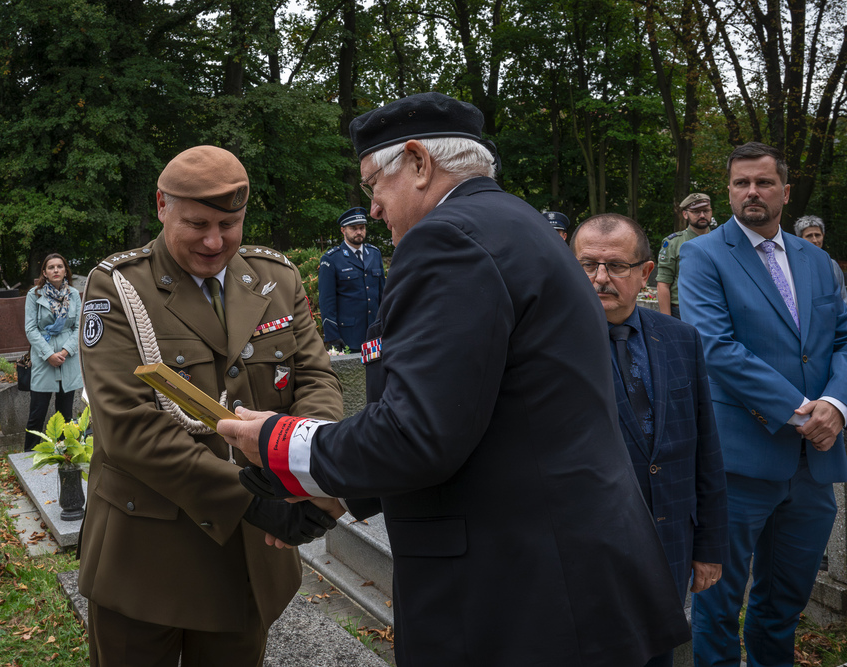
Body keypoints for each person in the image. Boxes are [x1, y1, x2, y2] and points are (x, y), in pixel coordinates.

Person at [218, 92, 690, 667]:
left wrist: (277, 441)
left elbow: (418, 433)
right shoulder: (518, 224)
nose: (372, 210)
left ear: (418, 163)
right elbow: (484, 415)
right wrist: (337, 494)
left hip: (521, 599)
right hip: (570, 579)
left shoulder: (449, 240)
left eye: (373, 185)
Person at [76, 145, 343, 667]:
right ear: (161, 206)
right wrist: (254, 499)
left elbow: (316, 381)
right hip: (147, 557)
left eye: (230, 223)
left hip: (247, 559)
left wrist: (307, 472)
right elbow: (129, 428)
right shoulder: (119, 288)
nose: (215, 241)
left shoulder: (276, 280)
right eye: (197, 223)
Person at [678, 142, 847, 667]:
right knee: (719, 604)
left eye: (764, 182)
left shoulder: (818, 261)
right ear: (729, 190)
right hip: (741, 461)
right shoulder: (703, 255)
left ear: (785, 191)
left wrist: (837, 405)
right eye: (741, 183)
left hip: (814, 467)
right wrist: (803, 412)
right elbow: (715, 345)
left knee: (784, 603)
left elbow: (842, 340)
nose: (752, 192)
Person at [572, 213, 728, 667]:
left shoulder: (680, 339)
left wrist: (710, 548)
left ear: (644, 273)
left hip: (670, 548)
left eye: (616, 265)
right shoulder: (545, 347)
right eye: (587, 264)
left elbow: (705, 448)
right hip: (590, 556)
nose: (600, 277)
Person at [24, 253, 83, 452]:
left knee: (65, 413)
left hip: (68, 358)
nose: (56, 270)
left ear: (66, 270)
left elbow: (79, 326)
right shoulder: (34, 294)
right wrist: (49, 354)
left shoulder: (74, 294)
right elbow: (31, 329)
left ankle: (64, 455)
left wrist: (66, 351)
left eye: (60, 266)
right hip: (43, 357)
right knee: (37, 412)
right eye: (51, 267)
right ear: (44, 273)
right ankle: (29, 455)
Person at [318, 207, 385, 352]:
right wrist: (332, 337)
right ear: (343, 230)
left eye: (361, 228)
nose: (359, 232)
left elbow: (383, 295)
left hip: (375, 334)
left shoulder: (374, 254)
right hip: (348, 335)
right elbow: (326, 302)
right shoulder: (331, 259)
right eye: (353, 228)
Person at [657, 193, 713, 318]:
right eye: (696, 212)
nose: (702, 215)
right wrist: (667, 320)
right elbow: (663, 283)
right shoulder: (673, 243)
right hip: (681, 312)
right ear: (685, 214)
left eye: (706, 211)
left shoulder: (721, 241)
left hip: (713, 311)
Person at [794, 215, 847, 302]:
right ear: (799, 238)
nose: (815, 240)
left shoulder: (832, 265)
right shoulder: (793, 264)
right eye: (809, 236)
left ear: (823, 235)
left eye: (817, 235)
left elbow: (843, 298)